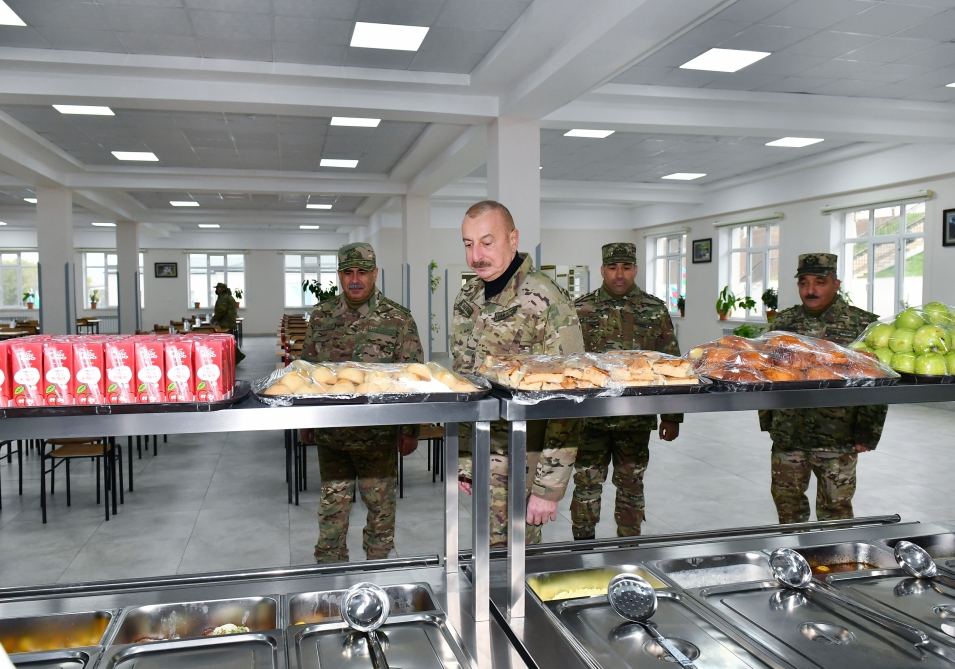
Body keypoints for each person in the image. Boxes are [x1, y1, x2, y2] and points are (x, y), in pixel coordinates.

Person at [451, 200, 584, 547]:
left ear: (513, 238)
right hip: (483, 450)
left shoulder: (546, 299)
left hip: (525, 458)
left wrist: (549, 488)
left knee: (517, 558)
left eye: (487, 242)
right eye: (468, 244)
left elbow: (571, 396)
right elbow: (465, 382)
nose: (476, 255)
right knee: (488, 550)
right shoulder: (469, 296)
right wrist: (466, 458)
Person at [300, 242, 424, 563]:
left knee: (380, 512)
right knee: (332, 512)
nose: (355, 279)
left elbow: (412, 378)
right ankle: (331, 579)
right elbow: (307, 373)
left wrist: (410, 429)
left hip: (378, 438)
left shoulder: (398, 319)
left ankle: (378, 577)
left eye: (362, 272)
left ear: (375, 274)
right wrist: (305, 421)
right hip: (333, 435)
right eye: (348, 272)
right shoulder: (322, 317)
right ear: (340, 275)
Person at [758, 253, 887, 524]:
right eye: (804, 283)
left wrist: (867, 431)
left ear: (836, 283)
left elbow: (876, 380)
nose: (810, 290)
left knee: (836, 513)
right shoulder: (783, 323)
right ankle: (794, 563)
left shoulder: (862, 325)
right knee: (788, 511)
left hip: (838, 437)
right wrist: (768, 420)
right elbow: (766, 372)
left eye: (820, 282)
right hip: (788, 434)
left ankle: (836, 564)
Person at [570, 242, 682, 539]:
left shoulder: (654, 310)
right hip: (590, 418)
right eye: (612, 267)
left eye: (626, 267)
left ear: (636, 268)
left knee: (631, 485)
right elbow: (567, 365)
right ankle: (581, 550)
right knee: (586, 485)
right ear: (602, 269)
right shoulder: (581, 309)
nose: (619, 274)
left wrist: (672, 416)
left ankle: (629, 551)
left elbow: (671, 363)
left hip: (635, 418)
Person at [210, 282, 245, 363]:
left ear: (222, 289)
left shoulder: (224, 297)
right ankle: (237, 356)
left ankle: (238, 356)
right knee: (228, 341)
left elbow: (221, 310)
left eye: (218, 288)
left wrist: (214, 319)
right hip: (227, 322)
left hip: (226, 323)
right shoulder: (225, 296)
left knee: (227, 341)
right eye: (216, 288)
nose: (216, 290)